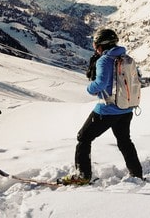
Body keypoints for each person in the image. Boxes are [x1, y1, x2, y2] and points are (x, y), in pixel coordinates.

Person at [59, 29, 144, 185]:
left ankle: (83, 175)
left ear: (99, 45)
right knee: (125, 141)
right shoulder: (125, 57)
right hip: (126, 109)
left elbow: (101, 84)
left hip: (107, 110)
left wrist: (89, 88)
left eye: (95, 44)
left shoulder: (104, 60)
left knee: (83, 138)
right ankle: (136, 173)